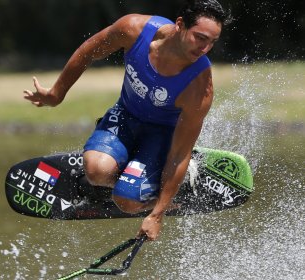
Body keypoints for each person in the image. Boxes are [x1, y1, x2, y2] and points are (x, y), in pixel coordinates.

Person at [23, 0, 231, 241]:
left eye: (212, 42)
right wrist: (56, 94)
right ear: (180, 25)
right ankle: (124, 176)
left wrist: (156, 216)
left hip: (162, 135)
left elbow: (179, 154)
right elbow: (89, 50)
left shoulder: (199, 86)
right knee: (96, 171)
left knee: (127, 202)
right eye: (200, 37)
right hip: (126, 115)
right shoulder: (134, 30)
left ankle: (176, 186)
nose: (205, 48)